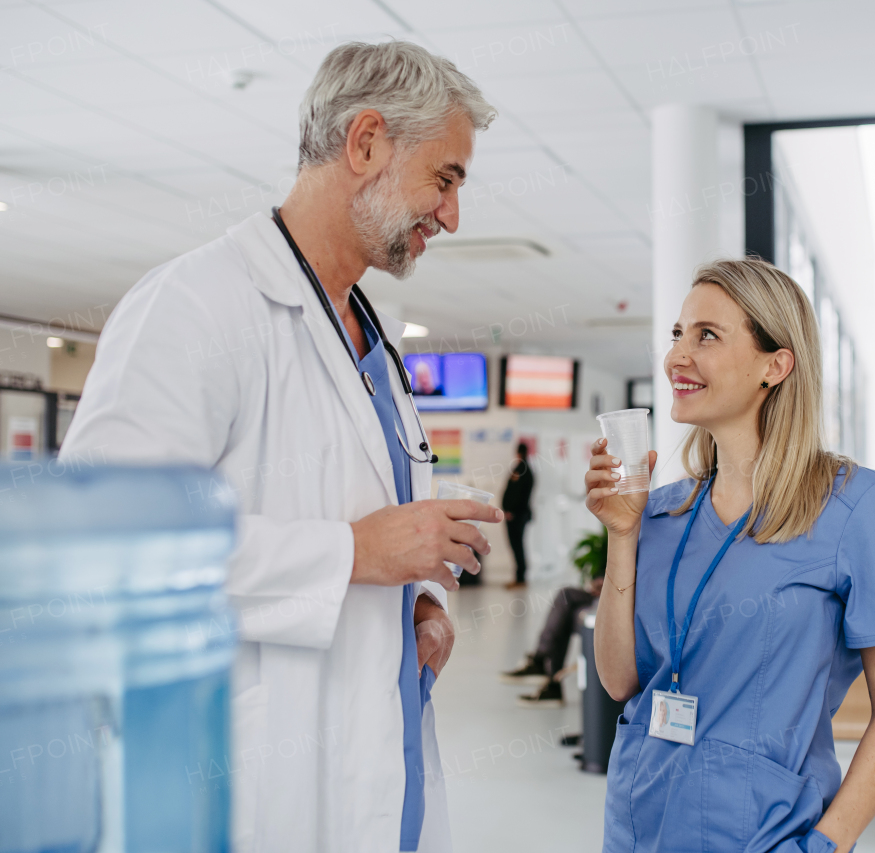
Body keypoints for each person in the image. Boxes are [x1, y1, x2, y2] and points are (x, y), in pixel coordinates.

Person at [59, 42, 501, 853]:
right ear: (365, 142)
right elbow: (101, 547)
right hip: (259, 796)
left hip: (380, 777)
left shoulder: (373, 340)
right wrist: (354, 554)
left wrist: (421, 602)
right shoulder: (196, 307)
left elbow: (367, 525)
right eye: (445, 178)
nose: (452, 215)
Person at [586, 259, 875, 853]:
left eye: (706, 336)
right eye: (677, 335)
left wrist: (824, 845)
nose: (675, 358)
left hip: (766, 834)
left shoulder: (858, 507)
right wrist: (621, 533)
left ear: (777, 364)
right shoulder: (657, 514)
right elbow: (619, 680)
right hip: (642, 823)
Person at [501, 576, 605, 706]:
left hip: (615, 598)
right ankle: (547, 675)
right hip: (604, 596)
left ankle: (545, 671)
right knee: (567, 609)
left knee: (566, 599)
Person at [502, 442, 535, 589]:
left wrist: (511, 511)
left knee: (517, 546)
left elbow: (518, 494)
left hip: (516, 516)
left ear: (518, 453)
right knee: (517, 546)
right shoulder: (524, 469)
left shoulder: (522, 470)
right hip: (517, 515)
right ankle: (520, 577)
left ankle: (520, 578)